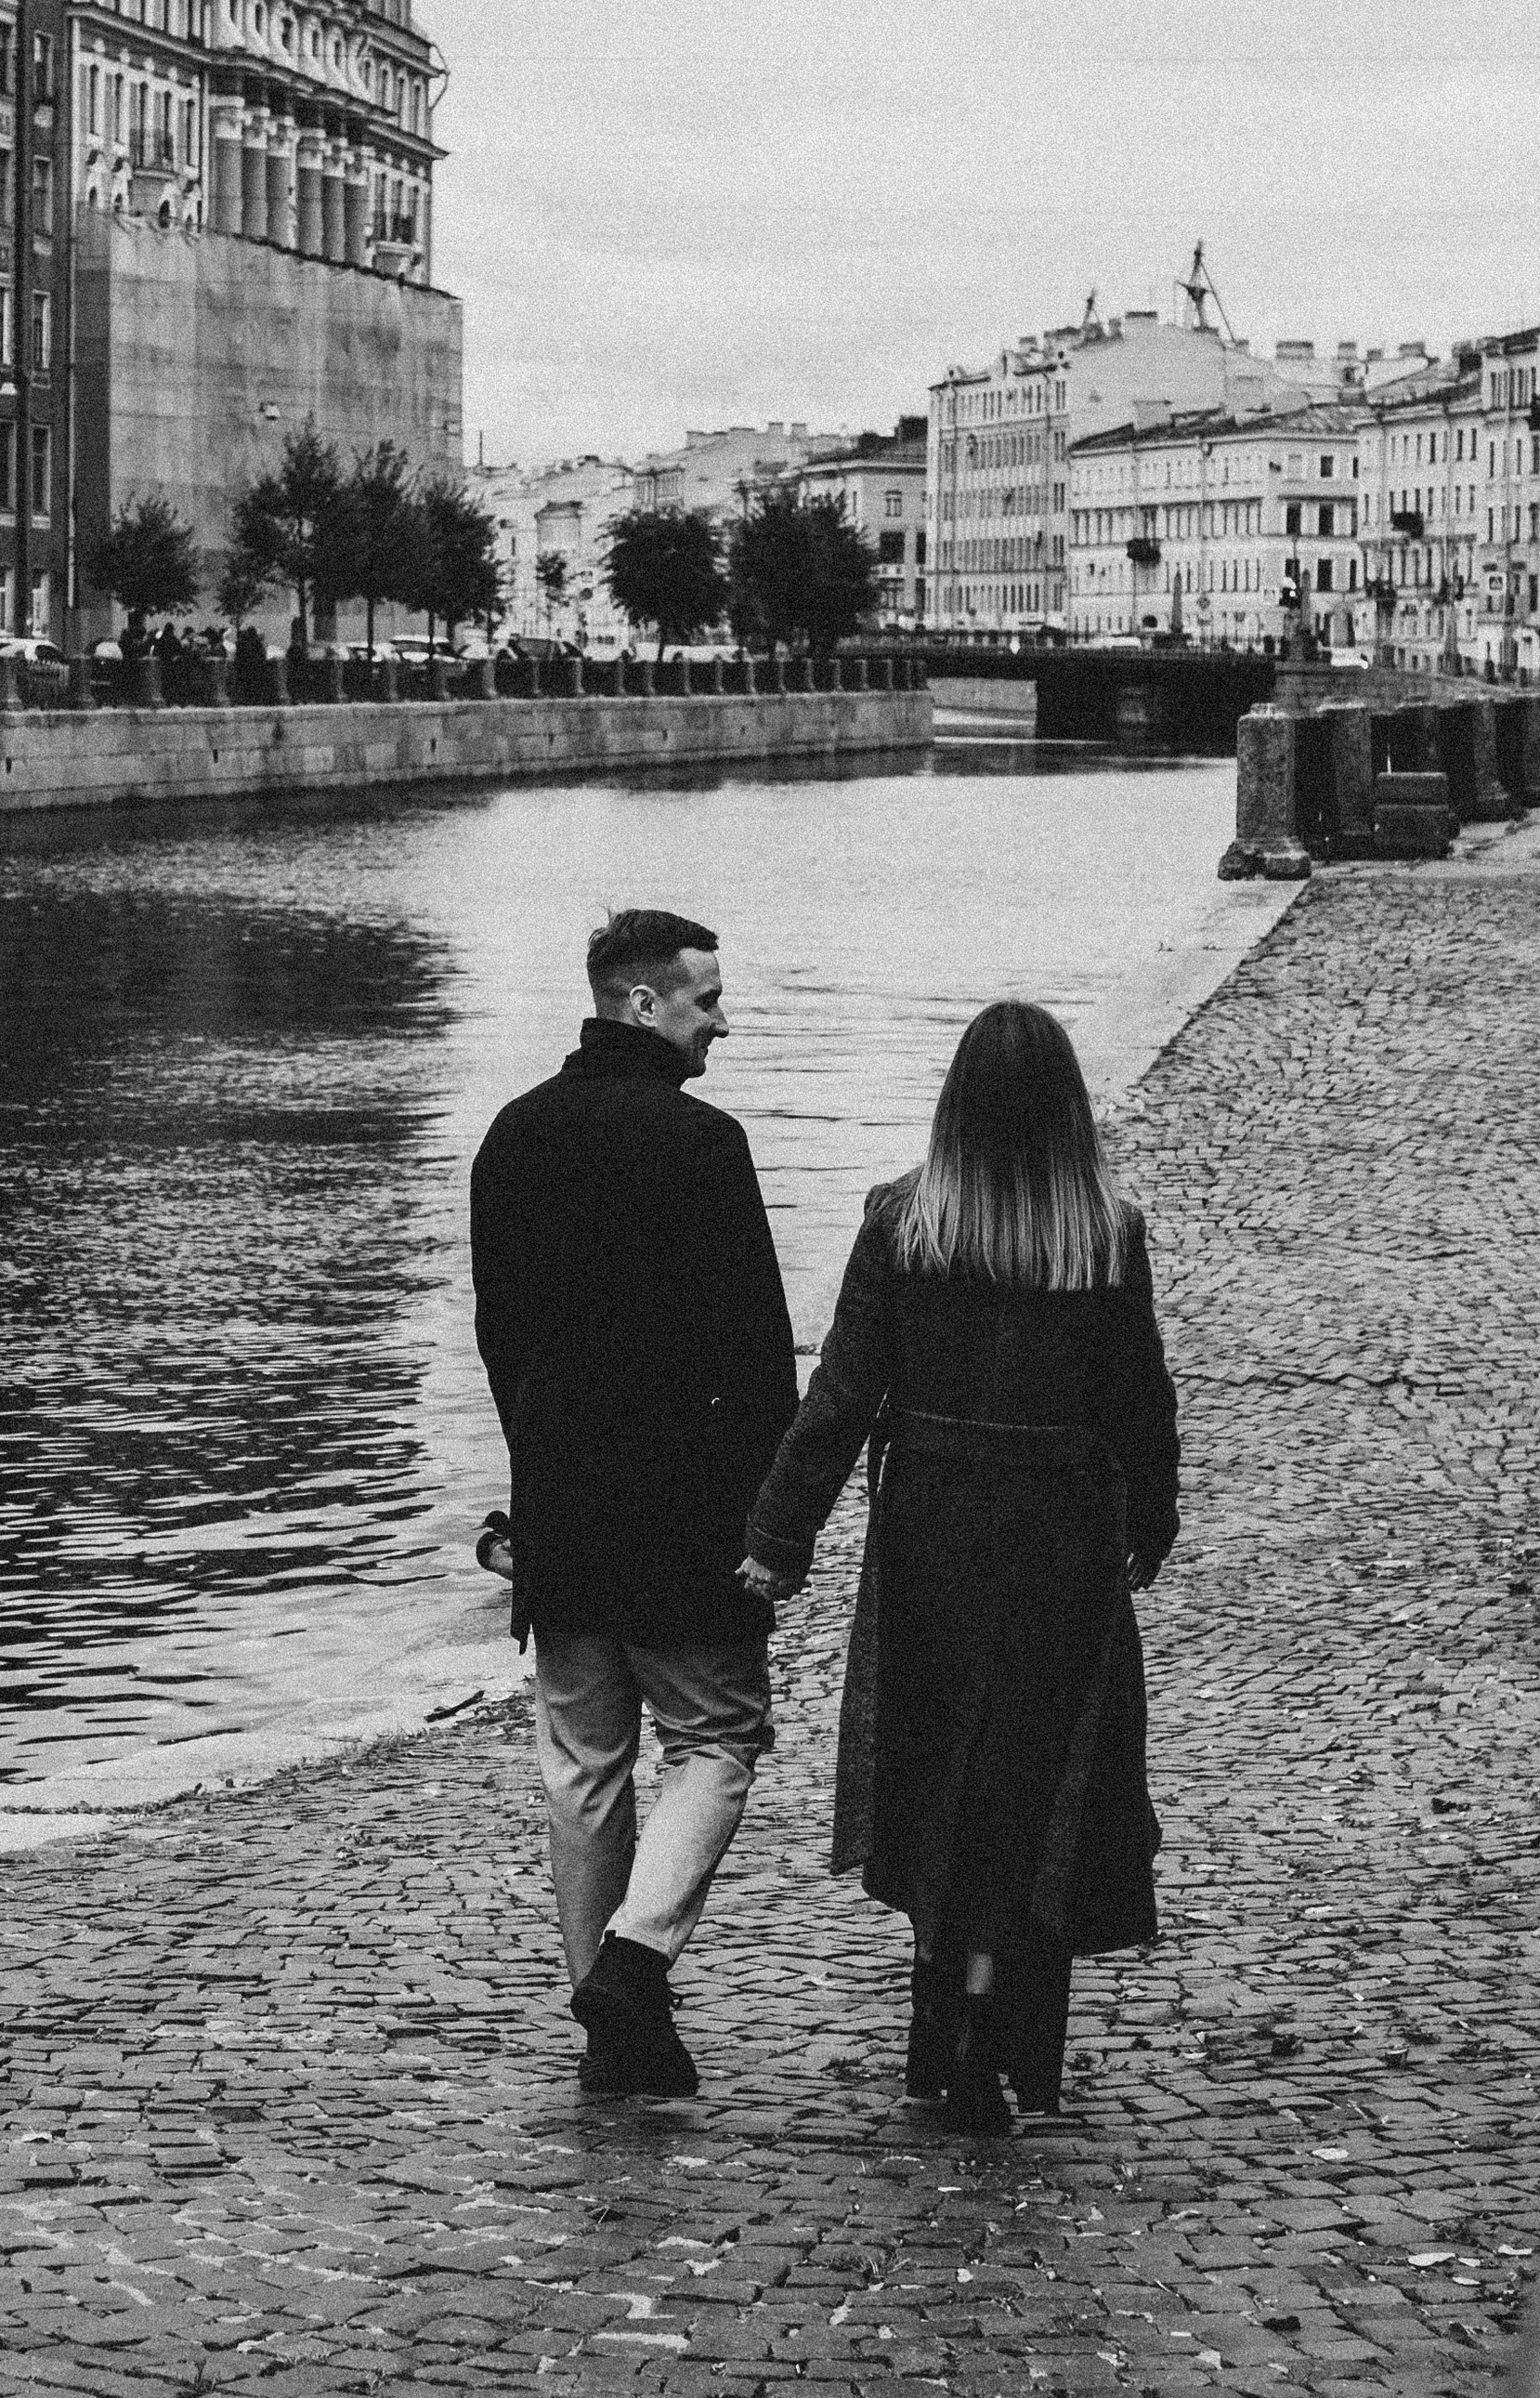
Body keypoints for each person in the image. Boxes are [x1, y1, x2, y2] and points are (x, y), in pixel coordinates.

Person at [738, 1001, 1179, 2136]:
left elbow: (839, 1395)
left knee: (937, 1774)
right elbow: (1140, 1399)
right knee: (1039, 1783)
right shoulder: (1102, 1230)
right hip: (1059, 1532)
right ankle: (1015, 2037)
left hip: (932, 1526)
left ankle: (945, 2033)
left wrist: (776, 1545)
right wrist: (1152, 1520)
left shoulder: (903, 1220)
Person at [472, 909, 798, 2098]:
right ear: (641, 1003)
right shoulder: (702, 1144)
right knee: (717, 1739)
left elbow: (499, 1335)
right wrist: (771, 1525)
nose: (722, 1018)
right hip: (684, 1508)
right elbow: (758, 1357)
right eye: (706, 999)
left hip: (560, 1499)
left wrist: (533, 1477)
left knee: (583, 1764)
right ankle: (634, 1957)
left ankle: (610, 2025)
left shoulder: (511, 1137)